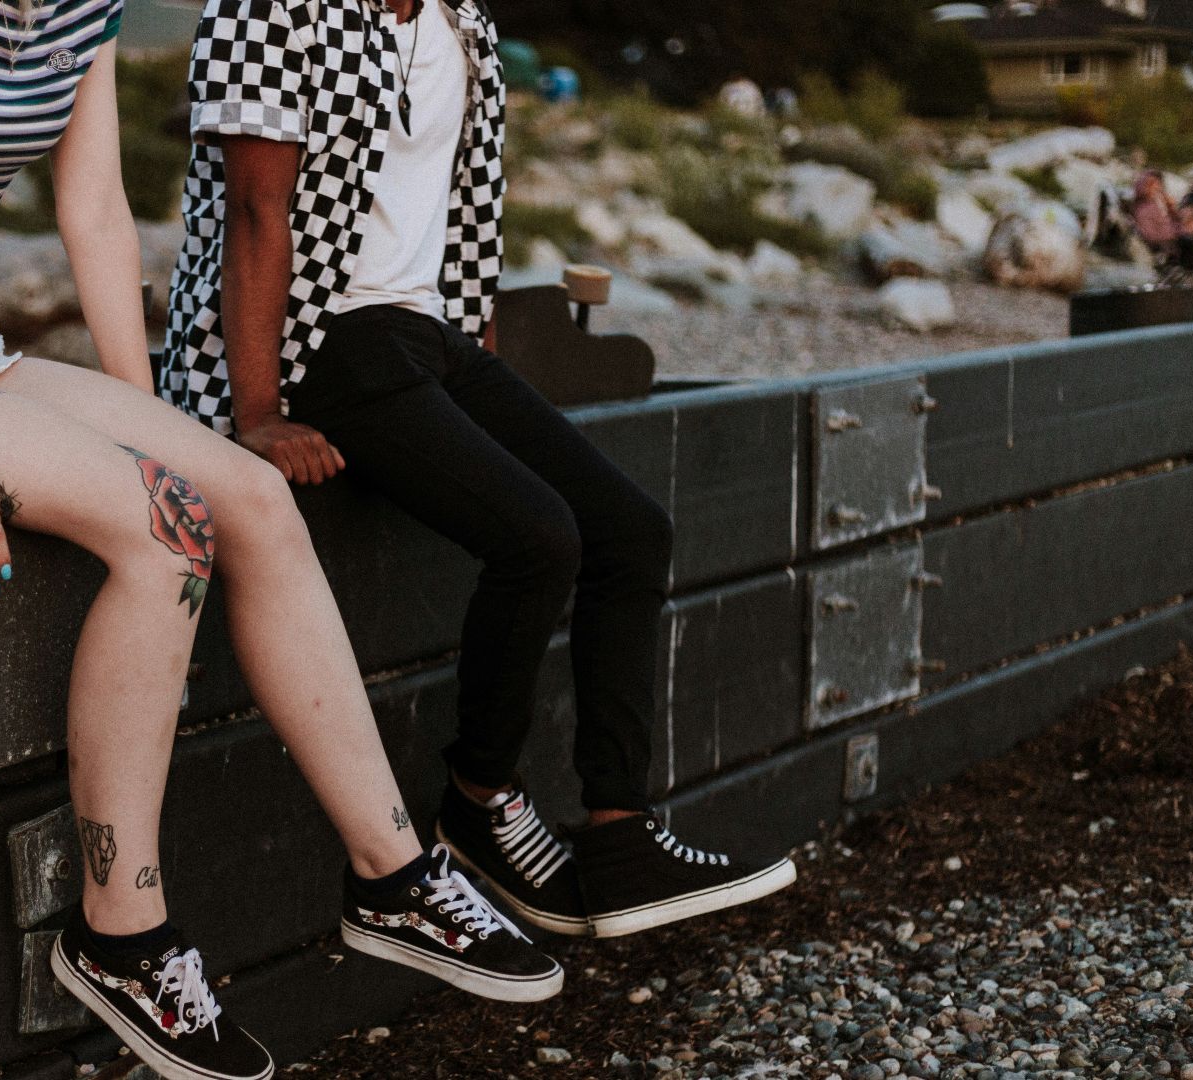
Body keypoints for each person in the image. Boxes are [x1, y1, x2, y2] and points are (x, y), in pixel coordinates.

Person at [0, 1, 562, 1077]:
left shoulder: (84, 9)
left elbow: (99, 214)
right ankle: (120, 933)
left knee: (250, 498)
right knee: (165, 531)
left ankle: (392, 876)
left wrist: (154, 423)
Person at [163, 0, 797, 941]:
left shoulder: (461, 21)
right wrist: (257, 414)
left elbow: (465, 209)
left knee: (629, 532)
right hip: (318, 342)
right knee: (539, 537)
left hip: (429, 338)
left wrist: (485, 384)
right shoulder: (270, 5)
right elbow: (259, 210)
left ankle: (619, 840)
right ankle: (479, 801)